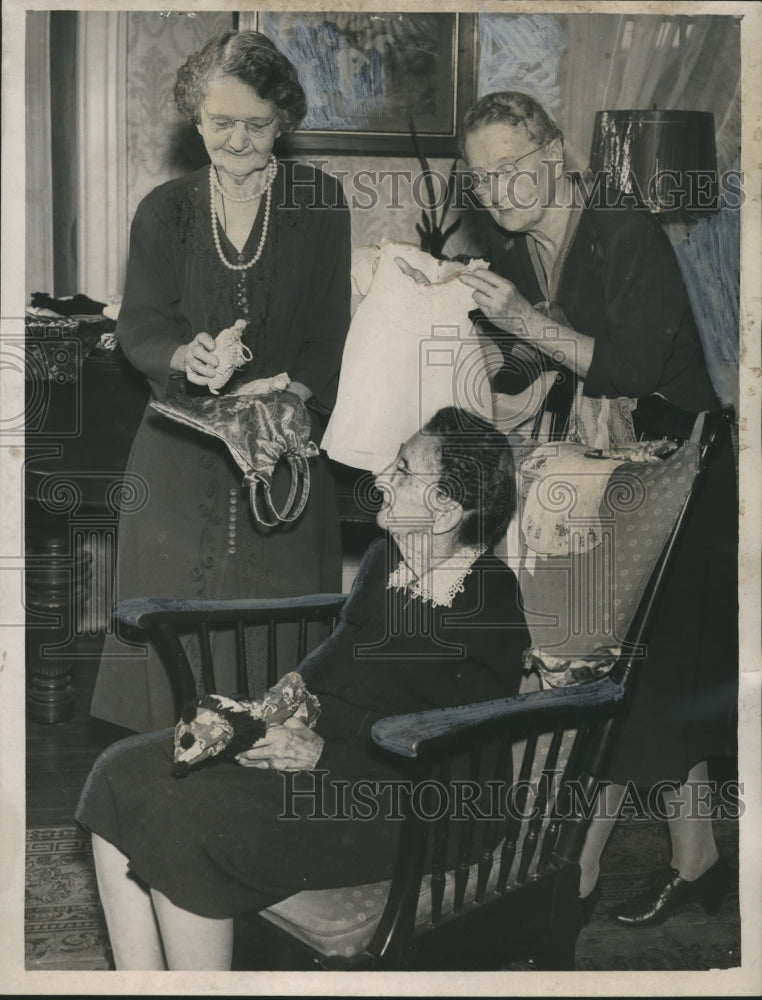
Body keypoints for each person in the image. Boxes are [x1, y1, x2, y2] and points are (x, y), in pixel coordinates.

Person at [76, 407, 531, 970]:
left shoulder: (489, 601)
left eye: (405, 470)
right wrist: (260, 712)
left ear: (446, 508)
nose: (381, 478)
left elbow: (458, 752)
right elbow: (335, 657)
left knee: (189, 824)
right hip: (334, 759)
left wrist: (324, 756)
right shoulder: (387, 556)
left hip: (417, 802)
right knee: (123, 772)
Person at [457, 91, 737, 925]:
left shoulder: (622, 228)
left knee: (622, 671)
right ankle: (697, 859)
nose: (500, 190)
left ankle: (570, 871)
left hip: (682, 469)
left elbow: (630, 368)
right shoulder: (520, 250)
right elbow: (525, 374)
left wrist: (521, 327)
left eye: (512, 167)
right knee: (631, 671)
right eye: (483, 179)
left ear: (555, 151)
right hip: (613, 475)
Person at [90, 31, 351, 734]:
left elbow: (333, 333)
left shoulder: (319, 203)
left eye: (257, 124)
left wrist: (290, 395)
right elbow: (140, 327)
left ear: (284, 120)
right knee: (170, 660)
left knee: (276, 657)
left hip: (283, 455)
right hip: (178, 457)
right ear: (195, 119)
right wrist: (186, 357)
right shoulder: (164, 210)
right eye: (220, 123)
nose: (238, 140)